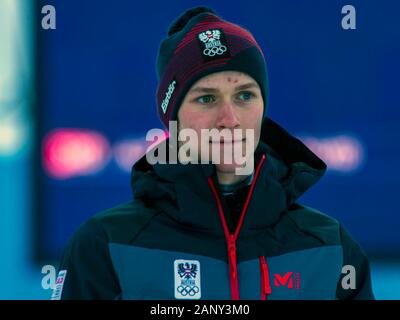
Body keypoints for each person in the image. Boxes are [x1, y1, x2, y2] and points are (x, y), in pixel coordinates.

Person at [53, 6, 374, 300]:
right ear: (173, 118)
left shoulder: (331, 248)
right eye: (206, 99)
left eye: (245, 95)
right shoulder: (104, 245)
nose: (230, 120)